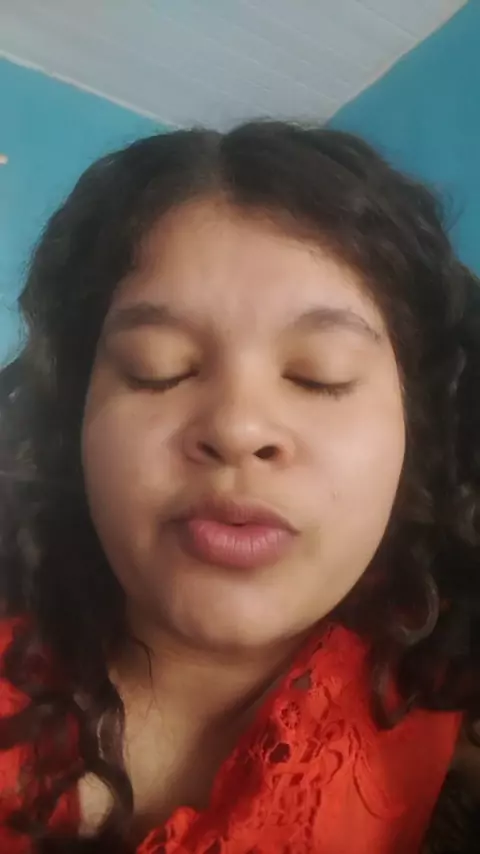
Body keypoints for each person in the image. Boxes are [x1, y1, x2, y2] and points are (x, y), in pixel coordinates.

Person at [0, 121, 479, 854]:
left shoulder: (444, 674)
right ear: (75, 418)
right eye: (158, 367)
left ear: (415, 434)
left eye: (319, 375)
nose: (237, 427)